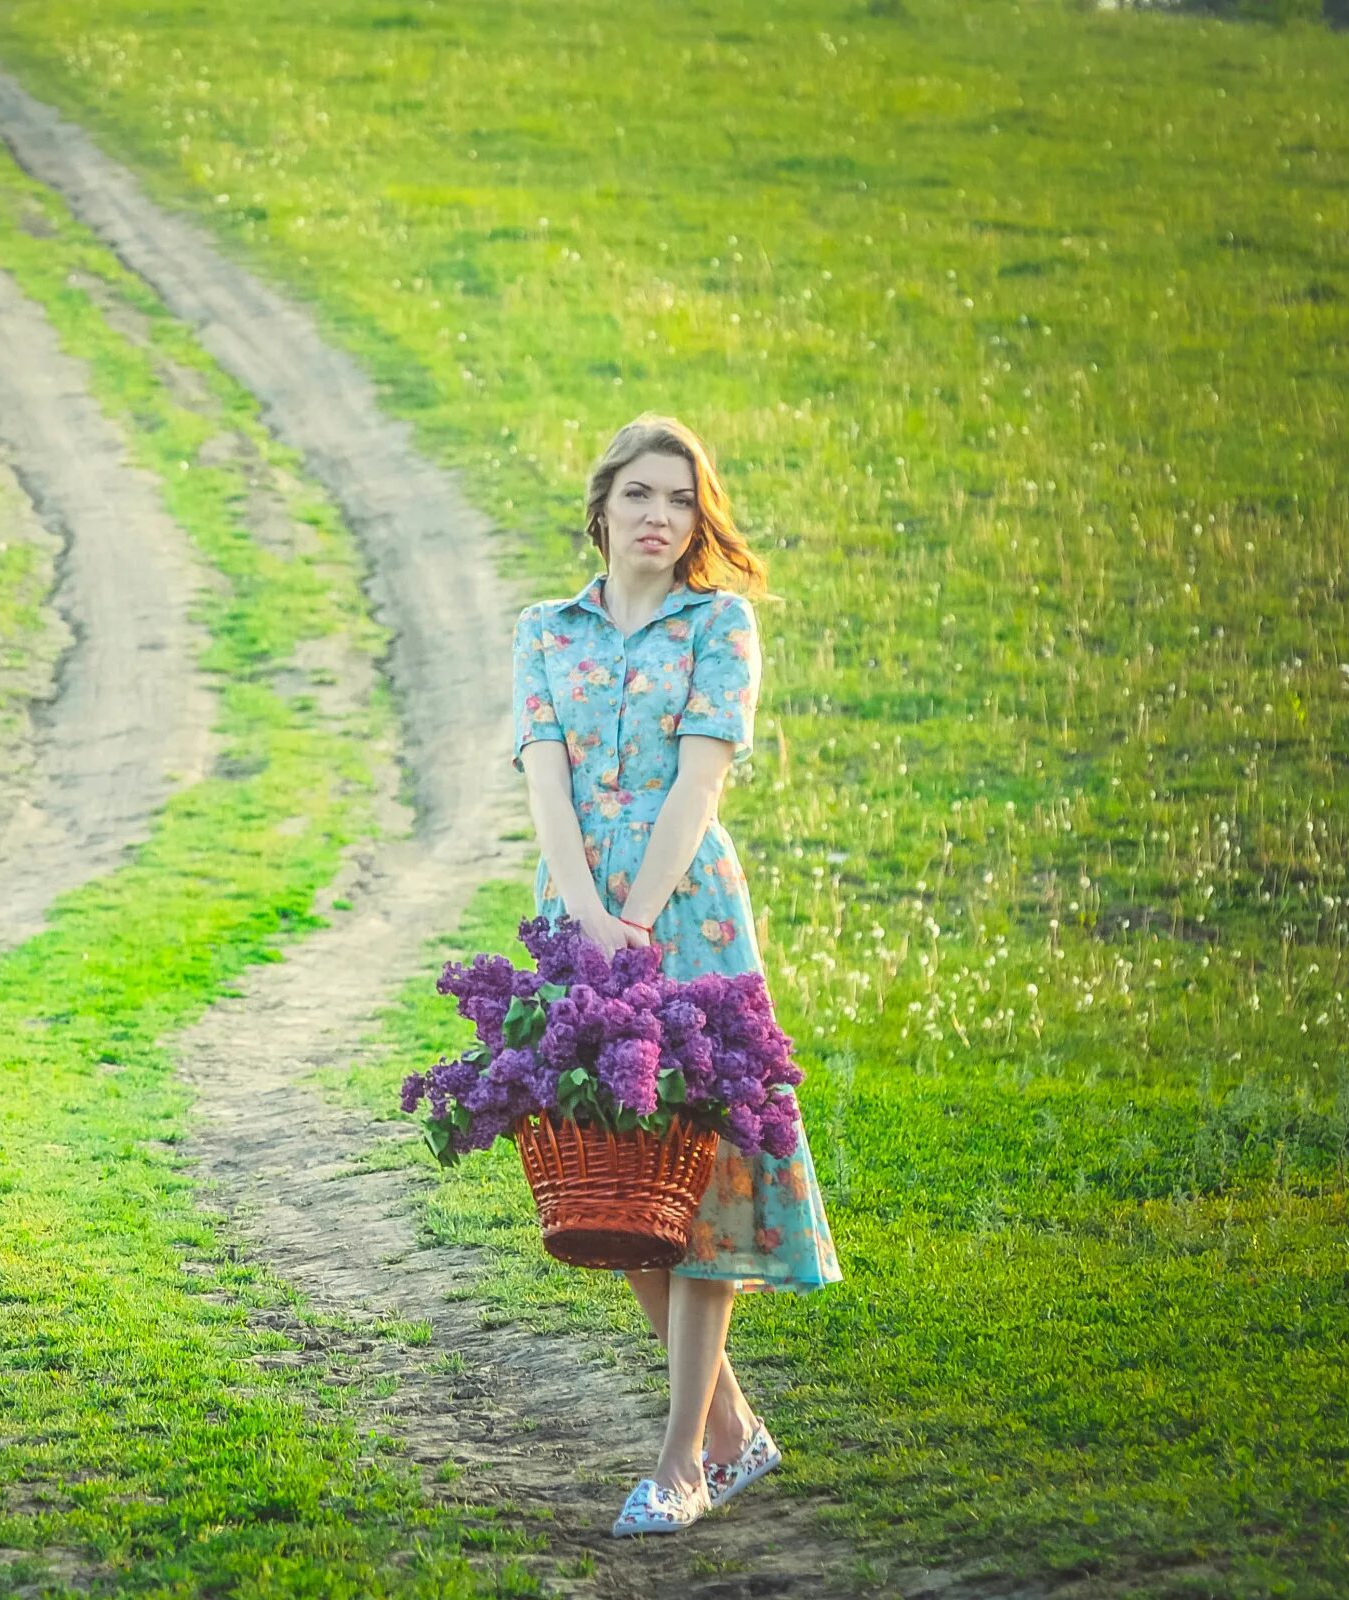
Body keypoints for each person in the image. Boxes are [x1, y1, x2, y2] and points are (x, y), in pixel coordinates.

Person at [510, 413, 844, 1537]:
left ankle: (679, 1464)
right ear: (601, 507)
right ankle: (734, 1428)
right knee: (616, 1185)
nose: (660, 517)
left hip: (686, 920)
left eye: (682, 500)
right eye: (641, 495)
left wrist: (639, 921)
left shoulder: (720, 626)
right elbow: (545, 787)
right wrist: (588, 923)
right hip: (575, 920)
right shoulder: (543, 634)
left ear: (699, 521)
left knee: (695, 1183)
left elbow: (700, 782)